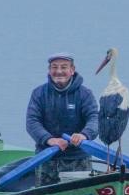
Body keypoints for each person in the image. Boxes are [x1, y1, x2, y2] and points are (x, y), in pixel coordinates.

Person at [26, 52, 99, 186]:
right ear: (49, 71)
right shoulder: (38, 94)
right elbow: (32, 122)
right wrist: (50, 139)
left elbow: (94, 119)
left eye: (64, 67)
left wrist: (84, 135)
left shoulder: (85, 94)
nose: (59, 71)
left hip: (78, 159)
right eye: (54, 67)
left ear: (72, 70)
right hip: (47, 158)